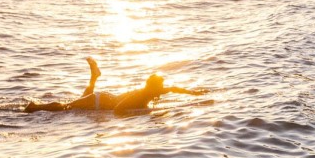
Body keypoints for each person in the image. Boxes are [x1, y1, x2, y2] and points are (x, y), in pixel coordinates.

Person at [23, 57, 206, 113]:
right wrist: (138, 113)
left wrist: (195, 94)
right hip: (100, 101)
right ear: (154, 87)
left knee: (75, 102)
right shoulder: (142, 95)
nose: (163, 90)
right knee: (66, 107)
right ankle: (35, 107)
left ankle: (94, 77)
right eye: (161, 87)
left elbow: (174, 89)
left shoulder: (152, 92)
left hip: (102, 99)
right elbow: (118, 110)